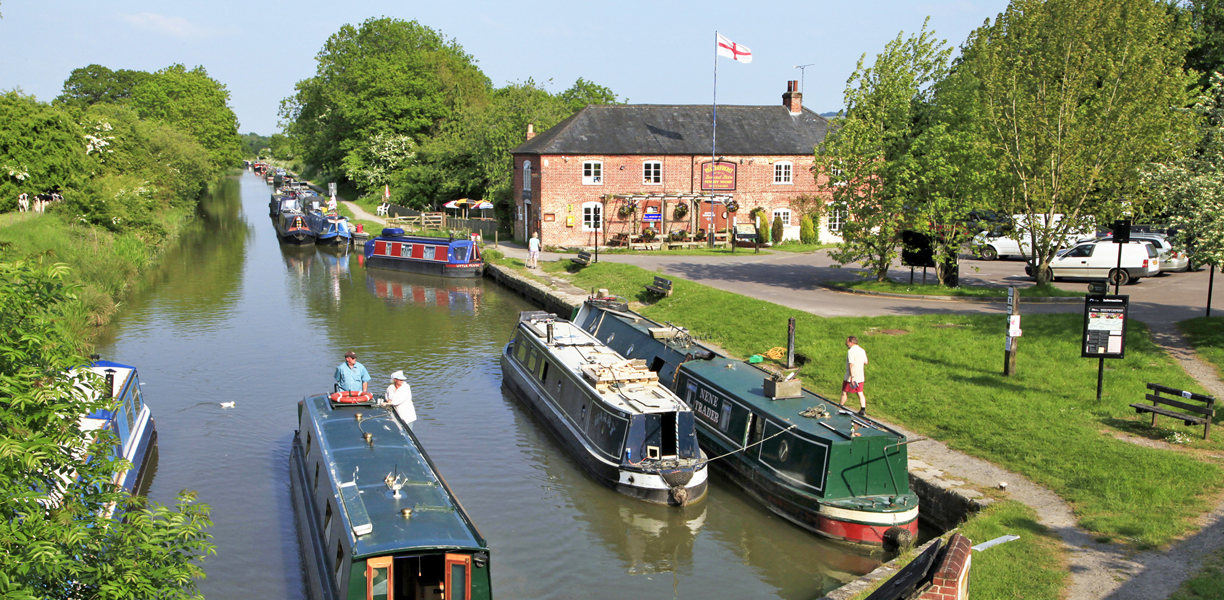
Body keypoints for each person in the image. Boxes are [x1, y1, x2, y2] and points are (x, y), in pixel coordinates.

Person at [840, 336, 869, 415]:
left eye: (847, 342)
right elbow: (866, 362)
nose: (846, 344)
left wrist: (852, 377)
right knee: (860, 392)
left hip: (851, 376)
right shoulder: (862, 350)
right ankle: (863, 409)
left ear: (850, 342)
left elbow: (851, 364)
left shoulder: (851, 351)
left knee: (844, 392)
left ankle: (840, 406)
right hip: (860, 376)